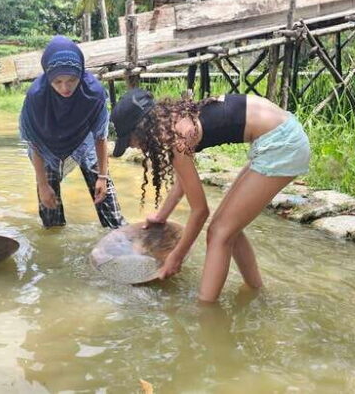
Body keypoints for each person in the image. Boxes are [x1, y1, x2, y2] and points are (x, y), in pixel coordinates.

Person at [110, 89, 310, 302]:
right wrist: (162, 215)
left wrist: (175, 257)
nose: (133, 146)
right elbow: (183, 183)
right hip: (279, 131)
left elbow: (200, 211)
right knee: (230, 228)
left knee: (217, 233)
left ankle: (206, 311)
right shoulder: (174, 118)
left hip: (282, 144)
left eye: (130, 140)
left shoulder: (177, 138)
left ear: (142, 130)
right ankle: (256, 291)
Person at [19, 35, 125, 228]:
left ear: (81, 73)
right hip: (46, 148)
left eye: (72, 80)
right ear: (48, 77)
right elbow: (34, 143)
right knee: (50, 215)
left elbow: (100, 137)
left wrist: (102, 176)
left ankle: (119, 237)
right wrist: (43, 185)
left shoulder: (93, 93)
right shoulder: (36, 97)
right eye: (57, 82)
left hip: (83, 142)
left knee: (108, 204)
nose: (65, 88)